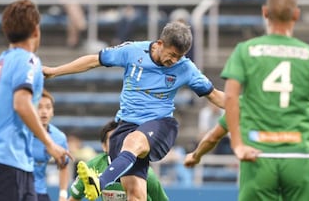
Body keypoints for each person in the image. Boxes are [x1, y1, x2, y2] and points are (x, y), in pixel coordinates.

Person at [43, 21, 225, 201]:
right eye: (172, 55)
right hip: (126, 125)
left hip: (160, 125)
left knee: (134, 140)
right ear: (160, 44)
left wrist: (242, 106)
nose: (174, 61)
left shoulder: (186, 68)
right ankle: (104, 180)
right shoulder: (133, 51)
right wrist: (54, 71)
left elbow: (215, 95)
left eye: (179, 56)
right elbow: (93, 61)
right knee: (136, 195)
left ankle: (100, 182)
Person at [220, 0, 309, 201]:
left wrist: (237, 144)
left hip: (257, 156)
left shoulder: (245, 50)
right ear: (296, 15)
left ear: (265, 12)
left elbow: (231, 96)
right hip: (298, 157)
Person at [0, 0, 71, 201]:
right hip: (7, 168)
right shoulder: (29, 60)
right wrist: (49, 143)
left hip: (16, 167)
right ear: (36, 31)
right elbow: (21, 103)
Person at [184, 84, 309, 168]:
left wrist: (196, 155)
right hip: (296, 164)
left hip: (260, 168)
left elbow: (213, 136)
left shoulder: (249, 100)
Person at [68, 120, 168, 201]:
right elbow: (74, 198)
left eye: (124, 139)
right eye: (114, 140)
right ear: (104, 146)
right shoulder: (92, 168)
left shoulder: (146, 174)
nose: (120, 144)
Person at [34, 89, 69, 201]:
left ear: (52, 111)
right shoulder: (19, 131)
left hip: (39, 192)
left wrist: (63, 194)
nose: (44, 111)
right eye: (39, 107)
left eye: (48, 107)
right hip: (14, 191)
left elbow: (64, 166)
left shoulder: (59, 137)